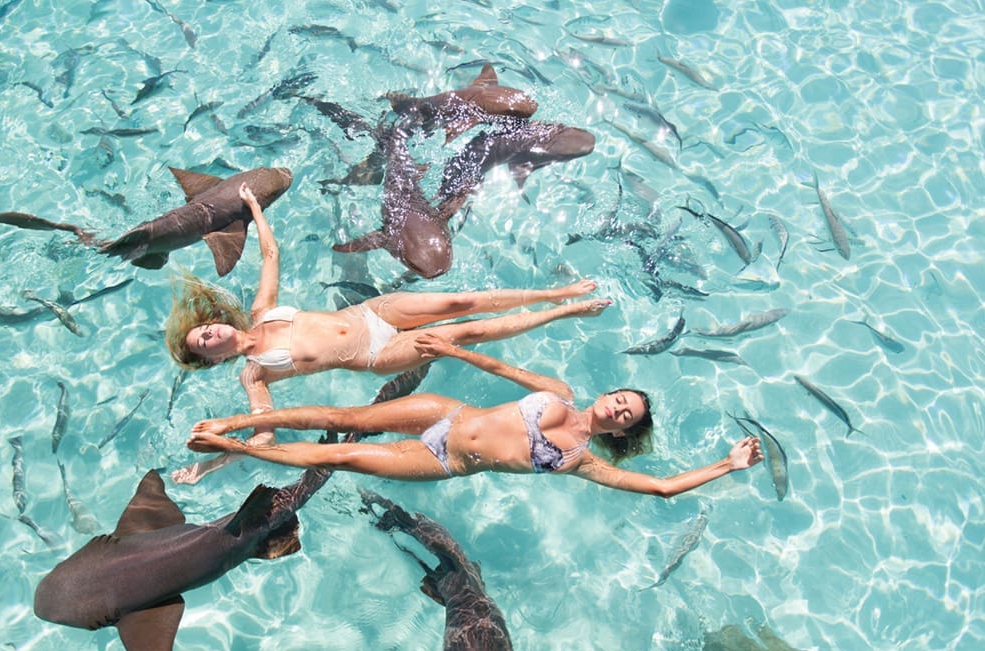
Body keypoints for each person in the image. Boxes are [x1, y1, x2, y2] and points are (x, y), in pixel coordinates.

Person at [167, 183, 609, 484]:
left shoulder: (261, 311)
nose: (212, 331)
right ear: (215, 359)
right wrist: (212, 464)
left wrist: (256, 209)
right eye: (205, 342)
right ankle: (563, 312)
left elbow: (270, 254)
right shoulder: (254, 375)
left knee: (462, 301)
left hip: (373, 312)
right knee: (466, 333)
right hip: (380, 353)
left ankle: (554, 293)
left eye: (205, 327)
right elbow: (264, 433)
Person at [186, 333, 763, 496]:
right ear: (611, 393)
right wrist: (453, 351)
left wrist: (726, 466)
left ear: (623, 430)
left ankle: (230, 446)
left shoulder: (579, 461)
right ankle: (235, 424)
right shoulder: (559, 390)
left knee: (339, 453)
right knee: (347, 414)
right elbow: (507, 374)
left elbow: (658, 487)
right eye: (621, 397)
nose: (617, 406)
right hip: (448, 409)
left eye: (626, 414)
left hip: (443, 457)